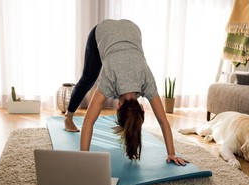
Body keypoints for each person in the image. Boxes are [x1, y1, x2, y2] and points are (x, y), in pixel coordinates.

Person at [65, 19, 187, 166]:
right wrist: (83, 160)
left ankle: (69, 117)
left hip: (131, 27)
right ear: (117, 107)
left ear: (142, 108)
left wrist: (172, 153)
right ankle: (68, 117)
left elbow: (163, 122)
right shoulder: (110, 80)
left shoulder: (146, 80)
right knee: (88, 80)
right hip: (102, 31)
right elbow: (88, 122)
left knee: (90, 80)